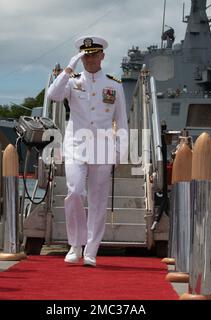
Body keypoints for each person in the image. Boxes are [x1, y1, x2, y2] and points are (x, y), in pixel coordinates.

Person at [47, 36, 128, 267]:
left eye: (94, 54)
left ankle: (91, 249)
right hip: (76, 146)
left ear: (102, 55)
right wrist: (69, 68)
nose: (90, 59)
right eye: (86, 55)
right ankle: (75, 244)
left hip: (102, 148)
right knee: (74, 192)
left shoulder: (114, 84)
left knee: (98, 200)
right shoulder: (72, 81)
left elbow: (121, 120)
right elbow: (53, 95)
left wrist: (120, 152)